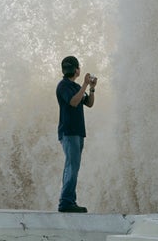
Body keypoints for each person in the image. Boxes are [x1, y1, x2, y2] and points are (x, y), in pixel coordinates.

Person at [55, 56, 97, 213]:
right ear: (77, 70)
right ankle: (65, 202)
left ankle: (69, 201)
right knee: (71, 166)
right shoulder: (63, 86)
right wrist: (85, 84)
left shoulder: (75, 86)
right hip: (69, 132)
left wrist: (91, 88)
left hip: (78, 132)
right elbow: (73, 102)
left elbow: (90, 103)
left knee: (74, 166)